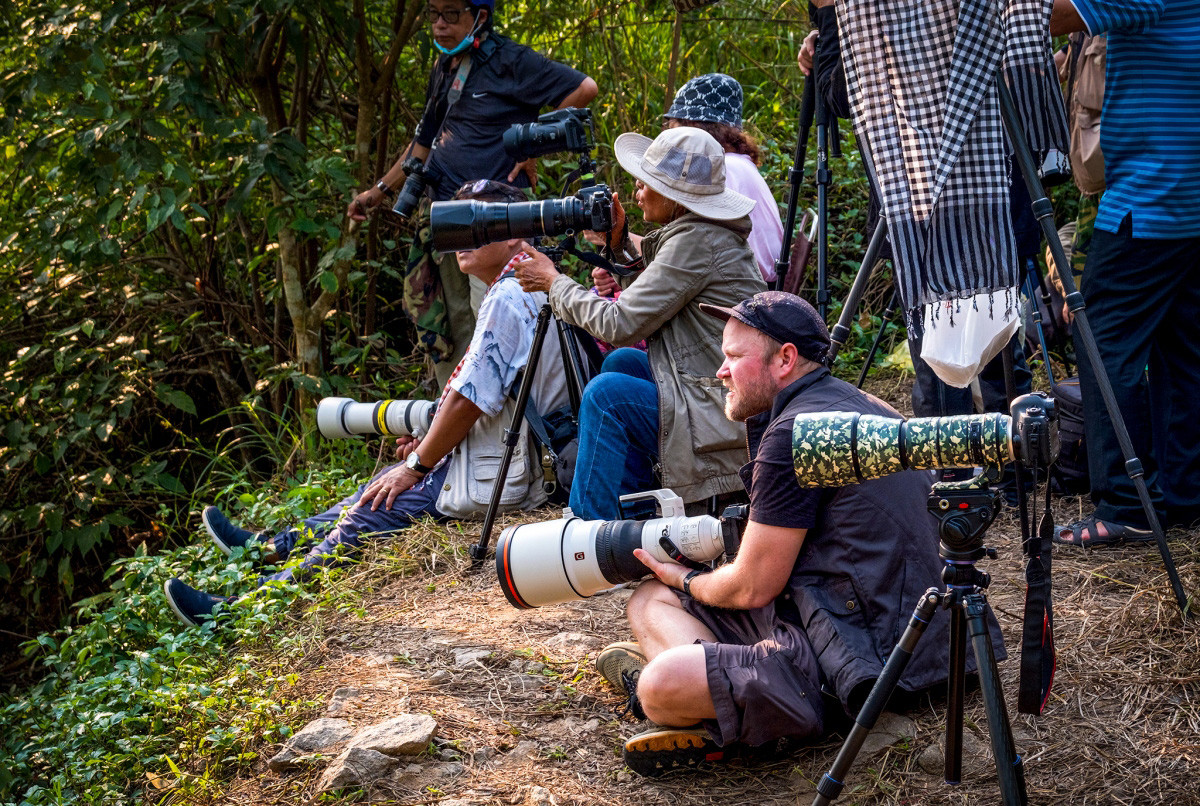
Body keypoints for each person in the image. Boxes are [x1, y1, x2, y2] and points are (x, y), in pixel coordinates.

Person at [594, 291, 1000, 777]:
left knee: (660, 680)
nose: (721, 371)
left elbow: (752, 586)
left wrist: (686, 579)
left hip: (865, 659)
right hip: (930, 641)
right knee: (646, 599)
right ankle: (725, 690)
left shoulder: (793, 436)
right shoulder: (856, 402)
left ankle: (733, 711)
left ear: (785, 359)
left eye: (733, 357)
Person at [164, 181, 569, 626]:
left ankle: (241, 614)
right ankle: (269, 550)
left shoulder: (512, 295)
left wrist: (417, 464)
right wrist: (426, 448)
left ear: (513, 231)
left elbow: (470, 400)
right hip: (516, 456)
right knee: (379, 486)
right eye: (457, 224)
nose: (459, 237)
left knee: (374, 509)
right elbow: (491, 393)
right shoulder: (525, 280)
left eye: (476, 223)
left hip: (513, 475)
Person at [513, 126, 766, 520]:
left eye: (646, 184)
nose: (637, 192)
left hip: (725, 411)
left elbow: (619, 324)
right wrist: (618, 246)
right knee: (621, 364)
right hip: (710, 387)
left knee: (606, 395)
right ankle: (634, 514)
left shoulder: (696, 241)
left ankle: (589, 536)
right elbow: (662, 305)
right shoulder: (700, 235)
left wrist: (554, 283)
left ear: (675, 195)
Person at [347, 0, 597, 388]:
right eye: (433, 14)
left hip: (497, 223)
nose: (439, 25)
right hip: (446, 215)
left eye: (451, 14)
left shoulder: (511, 60)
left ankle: (511, 419)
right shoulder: (444, 67)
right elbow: (423, 141)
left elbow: (584, 87)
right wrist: (378, 192)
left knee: (500, 317)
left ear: (479, 15)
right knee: (454, 324)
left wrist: (530, 145)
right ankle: (461, 425)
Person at [1049, 0, 1200, 545]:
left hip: (1150, 197)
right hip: (1187, 199)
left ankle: (1126, 504)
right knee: (1183, 349)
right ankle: (1184, 495)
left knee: (1101, 342)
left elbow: (1047, 16)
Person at [661, 73, 785, 284]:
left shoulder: (720, 170)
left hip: (747, 291)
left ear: (693, 127)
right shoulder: (739, 163)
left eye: (675, 130)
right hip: (761, 284)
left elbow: (685, 258)